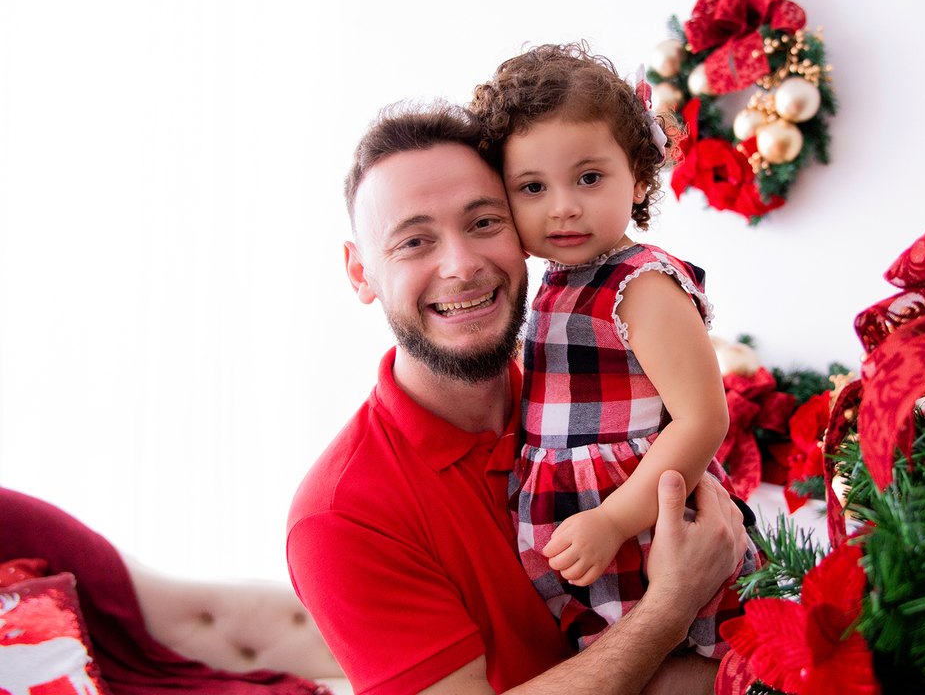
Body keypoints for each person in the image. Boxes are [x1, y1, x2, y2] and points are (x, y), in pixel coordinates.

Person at [285, 101, 749, 695]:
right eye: (414, 242)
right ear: (360, 274)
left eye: (484, 222)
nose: (462, 265)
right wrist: (669, 609)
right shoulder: (341, 516)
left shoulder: (598, 380)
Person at [468, 44, 758, 657]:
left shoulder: (641, 285)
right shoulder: (551, 280)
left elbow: (705, 418)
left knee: (674, 664)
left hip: (642, 516)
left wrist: (614, 520)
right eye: (531, 187)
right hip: (577, 519)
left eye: (589, 177)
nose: (563, 205)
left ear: (641, 176)